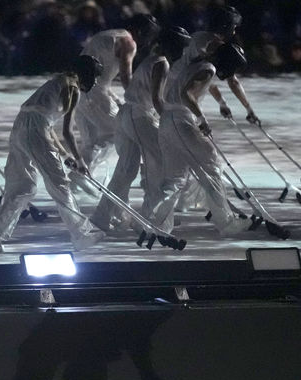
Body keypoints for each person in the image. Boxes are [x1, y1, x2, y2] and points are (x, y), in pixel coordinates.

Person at [0, 55, 106, 253]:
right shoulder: (72, 88)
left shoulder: (56, 81)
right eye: (94, 76)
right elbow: (66, 132)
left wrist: (65, 156)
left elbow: (46, 122)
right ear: (86, 74)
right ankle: (81, 234)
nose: (95, 81)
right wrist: (81, 162)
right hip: (34, 130)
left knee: (23, 187)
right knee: (59, 185)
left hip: (21, 126)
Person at [90, 26, 192, 232]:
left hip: (126, 116)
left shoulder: (150, 59)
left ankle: (102, 215)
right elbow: (157, 98)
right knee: (160, 164)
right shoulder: (162, 63)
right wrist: (169, 119)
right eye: (181, 48)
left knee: (126, 170)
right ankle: (151, 217)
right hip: (139, 117)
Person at [149, 42, 253, 235]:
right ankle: (226, 223)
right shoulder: (208, 68)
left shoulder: (197, 64)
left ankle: (156, 221)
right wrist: (201, 118)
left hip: (167, 120)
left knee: (174, 179)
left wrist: (219, 103)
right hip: (182, 120)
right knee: (211, 168)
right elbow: (186, 94)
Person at [74, 14, 160, 180]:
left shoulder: (110, 34)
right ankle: (80, 176)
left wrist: (118, 100)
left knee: (91, 142)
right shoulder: (128, 42)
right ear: (142, 32)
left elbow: (103, 78)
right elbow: (126, 76)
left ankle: (80, 177)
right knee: (117, 131)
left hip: (78, 91)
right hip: (93, 92)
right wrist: (136, 101)